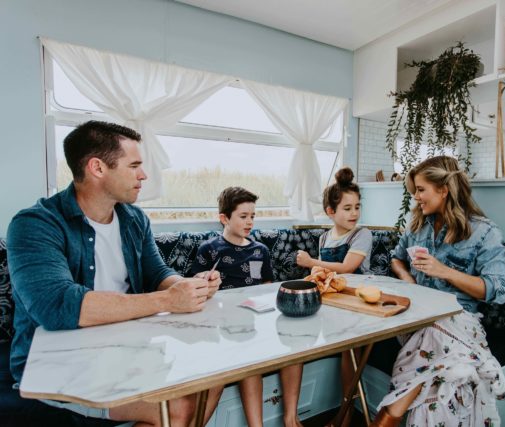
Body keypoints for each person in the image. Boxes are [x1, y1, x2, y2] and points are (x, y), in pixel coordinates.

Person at [7, 121, 224, 427]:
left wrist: (187, 285)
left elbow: (156, 272)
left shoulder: (134, 218)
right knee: (179, 408)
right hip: (59, 361)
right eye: (134, 165)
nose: (144, 175)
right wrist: (167, 300)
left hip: (124, 347)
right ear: (97, 168)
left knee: (211, 379)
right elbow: (57, 306)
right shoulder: (35, 224)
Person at [371, 156, 505, 427]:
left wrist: (444, 271)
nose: (417, 199)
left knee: (452, 369)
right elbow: (396, 257)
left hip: (459, 321)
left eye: (421, 190)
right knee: (436, 342)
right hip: (417, 318)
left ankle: (390, 413)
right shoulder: (417, 227)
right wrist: (407, 277)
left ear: (444, 189)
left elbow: (498, 290)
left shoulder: (483, 232)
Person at [191, 186, 303, 427]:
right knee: (245, 358)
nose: (250, 221)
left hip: (256, 319)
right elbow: (194, 288)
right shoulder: (209, 249)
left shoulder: (259, 250)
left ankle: (291, 419)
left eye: (253, 215)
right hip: (222, 322)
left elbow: (268, 287)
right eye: (243, 216)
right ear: (224, 218)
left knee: (295, 345)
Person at [296, 167, 373, 426]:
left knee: (349, 352)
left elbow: (349, 268)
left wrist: (310, 262)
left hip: (358, 301)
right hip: (333, 300)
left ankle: (347, 414)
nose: (354, 213)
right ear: (331, 212)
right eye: (347, 208)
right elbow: (325, 274)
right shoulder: (325, 238)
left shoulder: (362, 235)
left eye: (357, 207)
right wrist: (315, 271)